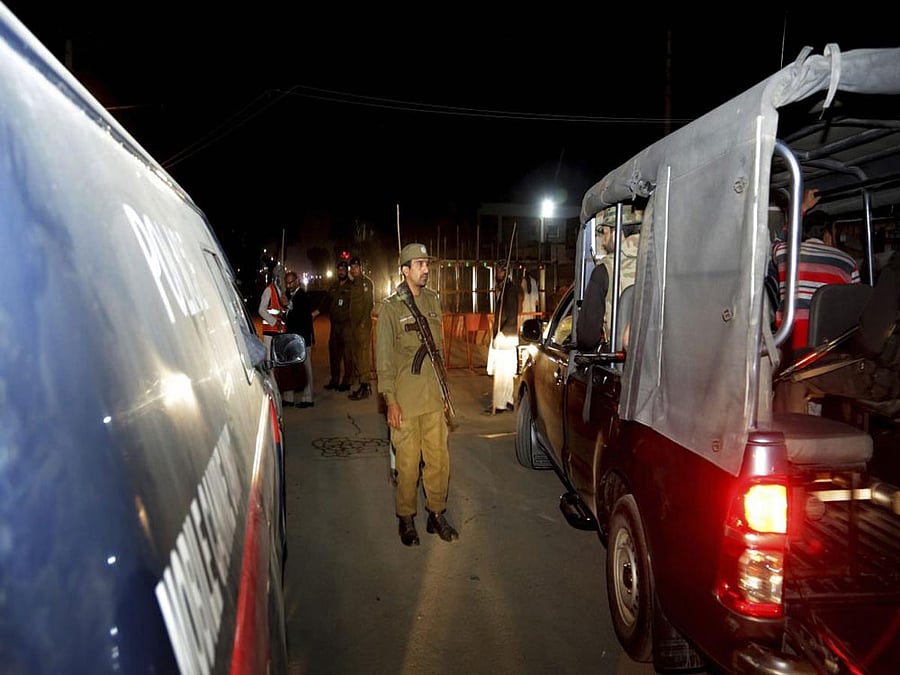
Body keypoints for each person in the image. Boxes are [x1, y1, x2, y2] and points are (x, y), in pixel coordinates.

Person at [375, 242, 458, 546]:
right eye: (420, 264)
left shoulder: (434, 301)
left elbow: (439, 352)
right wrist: (390, 400)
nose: (426, 269)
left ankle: (436, 513)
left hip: (433, 398)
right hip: (406, 401)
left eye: (427, 264)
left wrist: (445, 394)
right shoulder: (391, 307)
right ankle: (406, 518)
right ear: (405, 270)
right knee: (408, 465)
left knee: (439, 461)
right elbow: (383, 359)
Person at [772, 206, 861, 355]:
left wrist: (802, 208)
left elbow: (778, 238)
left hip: (789, 341)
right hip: (831, 344)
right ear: (827, 235)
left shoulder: (784, 252)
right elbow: (856, 306)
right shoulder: (848, 261)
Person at [576, 205, 642, 351]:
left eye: (605, 234)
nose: (603, 242)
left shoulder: (605, 270)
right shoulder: (662, 264)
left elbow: (587, 338)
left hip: (620, 365)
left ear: (617, 233)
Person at [487, 259, 520, 414]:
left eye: (499, 271)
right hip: (505, 335)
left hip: (506, 336)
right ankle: (507, 400)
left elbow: (512, 315)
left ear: (504, 272)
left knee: (502, 373)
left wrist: (501, 333)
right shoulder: (503, 289)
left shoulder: (510, 290)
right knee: (505, 372)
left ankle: (500, 404)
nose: (496, 274)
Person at [281, 271, 316, 408]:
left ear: (297, 281)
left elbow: (303, 316)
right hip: (291, 338)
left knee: (305, 368)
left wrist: (288, 305)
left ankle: (308, 398)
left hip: (303, 338)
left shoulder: (303, 296)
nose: (289, 285)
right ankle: (288, 398)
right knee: (290, 368)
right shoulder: (289, 295)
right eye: (287, 283)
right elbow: (289, 316)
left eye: (291, 282)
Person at [319, 258, 353, 391]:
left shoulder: (352, 287)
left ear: (347, 271)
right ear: (337, 271)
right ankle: (334, 380)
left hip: (347, 325)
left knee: (347, 355)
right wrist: (315, 313)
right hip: (335, 326)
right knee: (334, 354)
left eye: (344, 270)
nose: (341, 272)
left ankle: (347, 381)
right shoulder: (333, 286)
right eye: (339, 270)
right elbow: (325, 302)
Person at [347, 256, 375, 400]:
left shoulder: (366, 283)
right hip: (353, 325)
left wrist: (364, 322)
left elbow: (369, 303)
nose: (353, 269)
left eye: (355, 267)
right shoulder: (353, 284)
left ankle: (365, 386)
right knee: (356, 355)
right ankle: (363, 385)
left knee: (363, 356)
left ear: (361, 268)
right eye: (351, 267)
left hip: (362, 325)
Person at [258, 264, 287, 351]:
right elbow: (261, 310)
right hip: (270, 331)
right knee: (270, 358)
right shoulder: (269, 290)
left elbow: (279, 310)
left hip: (279, 331)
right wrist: (275, 322)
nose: (283, 279)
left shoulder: (281, 291)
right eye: (282, 276)